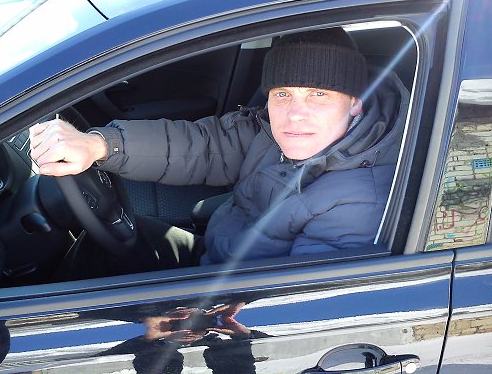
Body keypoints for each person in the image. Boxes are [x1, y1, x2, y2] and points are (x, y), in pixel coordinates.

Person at [29, 27, 409, 274]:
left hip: (233, 299)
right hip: (217, 257)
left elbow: (293, 307)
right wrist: (99, 144)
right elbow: (200, 144)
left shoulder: (359, 203)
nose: (295, 114)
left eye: (318, 94)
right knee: (107, 246)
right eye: (283, 94)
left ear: (354, 103)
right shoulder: (270, 132)